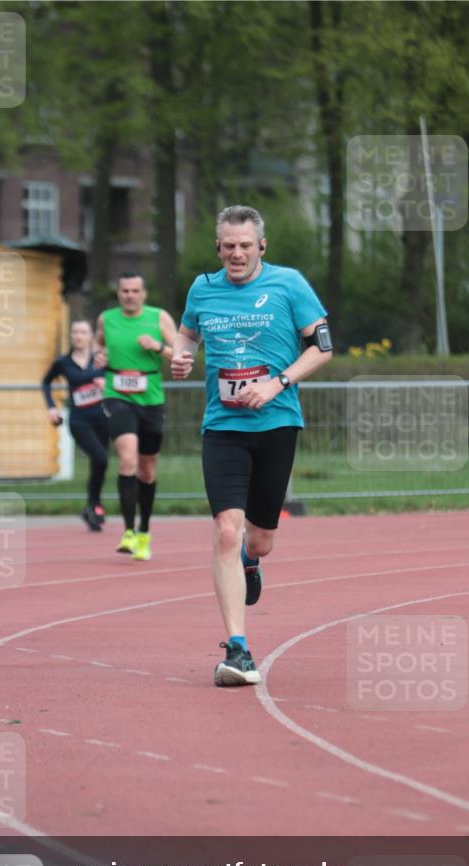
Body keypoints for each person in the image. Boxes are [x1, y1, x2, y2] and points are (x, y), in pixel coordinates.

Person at [171, 205, 333, 687]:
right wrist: (182, 357)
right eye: (228, 246)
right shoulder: (203, 288)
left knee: (259, 539)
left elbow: (323, 346)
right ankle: (238, 649)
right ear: (218, 248)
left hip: (276, 423)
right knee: (226, 530)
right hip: (222, 427)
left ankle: (251, 559)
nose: (236, 253)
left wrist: (277, 383)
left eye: (245, 245)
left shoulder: (289, 285)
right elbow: (187, 334)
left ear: (261, 246)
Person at [96, 272, 178, 560]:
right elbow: (98, 345)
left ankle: (144, 531)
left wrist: (158, 346)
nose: (129, 296)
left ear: (143, 294)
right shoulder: (106, 319)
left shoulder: (159, 318)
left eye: (134, 291)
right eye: (125, 291)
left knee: (147, 470)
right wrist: (99, 356)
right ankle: (128, 531)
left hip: (151, 399)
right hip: (117, 395)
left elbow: (181, 354)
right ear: (118, 294)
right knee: (127, 458)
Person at [42, 319, 109, 532]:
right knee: (100, 458)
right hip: (80, 421)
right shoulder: (63, 362)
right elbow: (45, 382)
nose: (79, 336)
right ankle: (94, 505)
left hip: (103, 419)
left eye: (83, 332)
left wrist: (106, 385)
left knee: (99, 463)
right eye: (75, 332)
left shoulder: (100, 360)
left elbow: (116, 379)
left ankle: (92, 507)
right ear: (71, 336)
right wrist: (51, 407)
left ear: (91, 336)